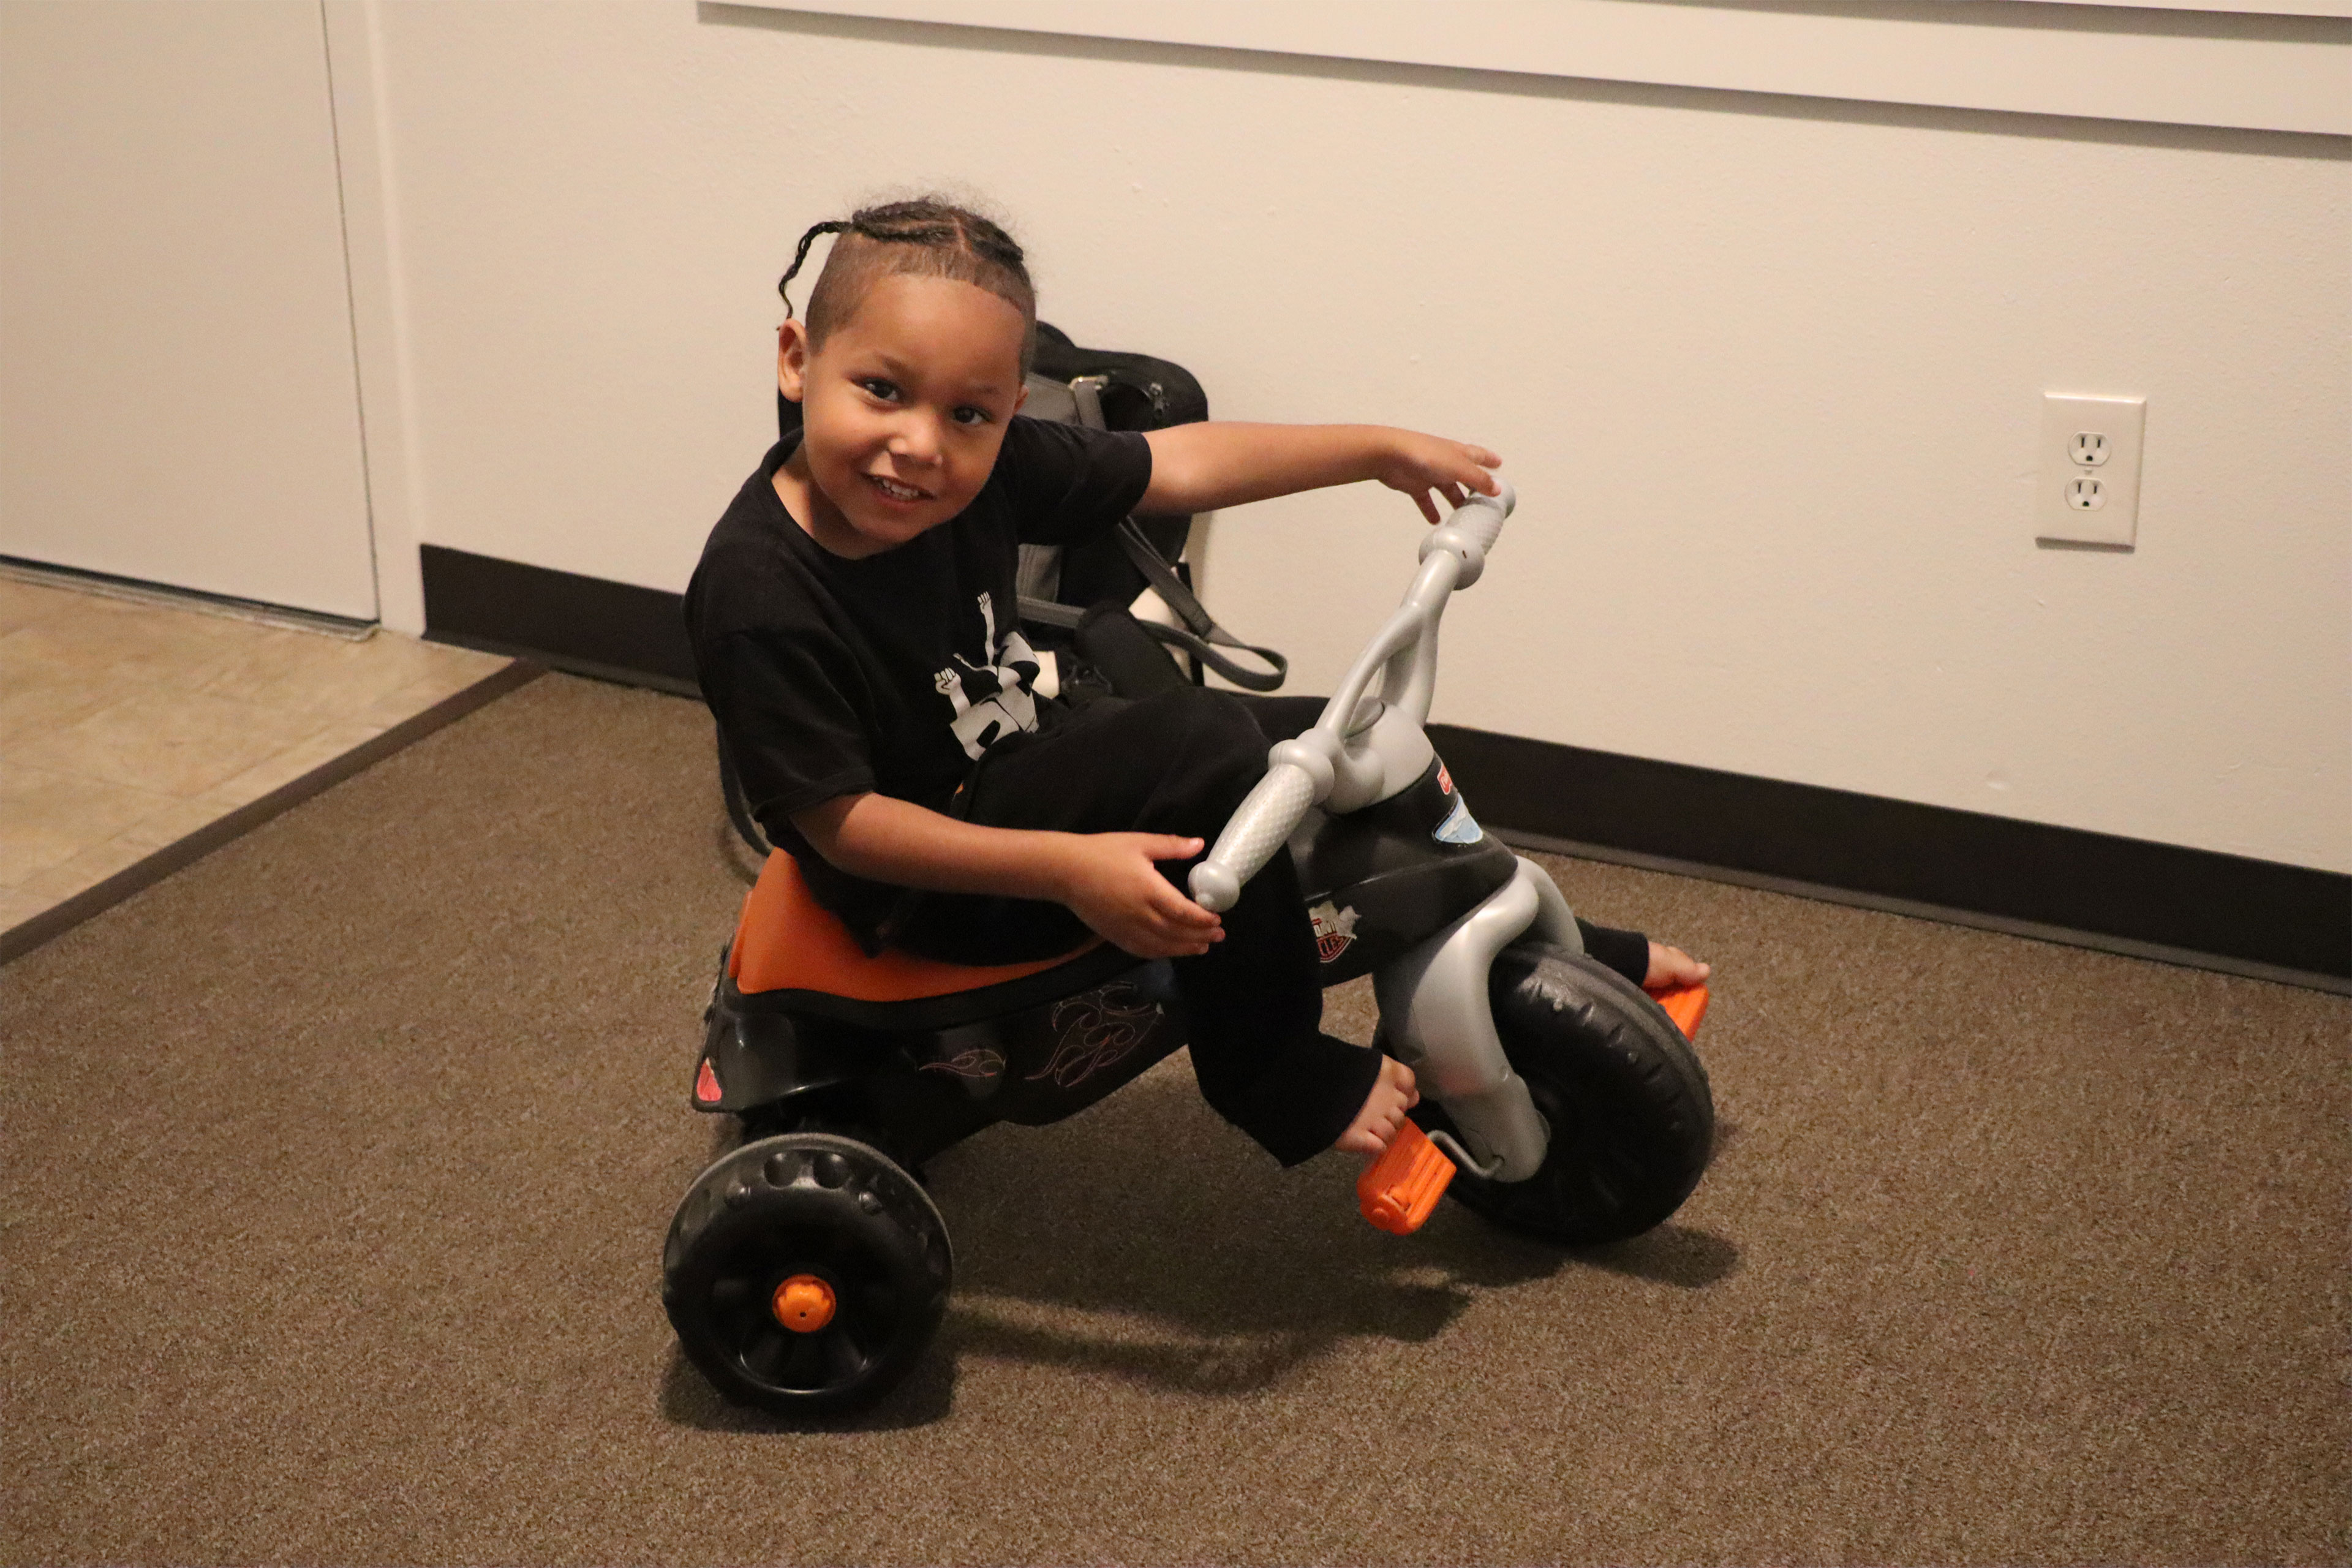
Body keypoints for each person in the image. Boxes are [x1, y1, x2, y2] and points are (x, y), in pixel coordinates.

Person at [687, 197, 1708, 1170]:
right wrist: (1066, 869)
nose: (922, 444)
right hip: (931, 884)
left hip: (1013, 767)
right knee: (1215, 748)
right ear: (795, 359)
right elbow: (842, 829)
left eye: (970, 414)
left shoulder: (979, 471)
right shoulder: (760, 595)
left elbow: (1171, 465)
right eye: (881, 390)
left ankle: (1552, 947)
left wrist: (1376, 451)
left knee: (1347, 738)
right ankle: (1267, 1067)